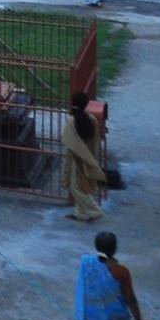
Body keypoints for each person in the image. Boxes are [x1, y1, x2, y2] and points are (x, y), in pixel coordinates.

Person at [78, 229, 147, 320]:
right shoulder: (121, 272)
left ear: (96, 247)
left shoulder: (87, 264)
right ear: (115, 249)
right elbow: (131, 300)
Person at [66, 94, 108, 223]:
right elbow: (96, 139)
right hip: (89, 155)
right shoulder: (92, 119)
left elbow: (68, 141)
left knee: (75, 187)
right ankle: (79, 212)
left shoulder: (72, 121)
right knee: (82, 185)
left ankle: (94, 210)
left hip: (77, 158)